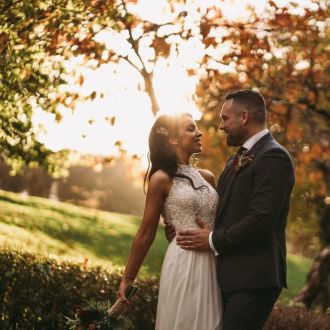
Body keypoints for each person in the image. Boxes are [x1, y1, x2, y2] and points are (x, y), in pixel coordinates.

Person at [166, 89, 295, 329]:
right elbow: (221, 209)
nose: (221, 126)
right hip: (226, 274)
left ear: (244, 116)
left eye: (225, 118)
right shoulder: (234, 159)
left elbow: (262, 219)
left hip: (255, 277)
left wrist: (212, 240)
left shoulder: (274, 156)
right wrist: (186, 230)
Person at [117, 112, 222, 330]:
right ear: (173, 139)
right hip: (182, 263)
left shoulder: (208, 178)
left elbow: (222, 220)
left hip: (213, 264)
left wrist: (213, 234)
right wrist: (128, 278)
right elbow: (146, 233)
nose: (199, 133)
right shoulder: (160, 179)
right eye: (191, 128)